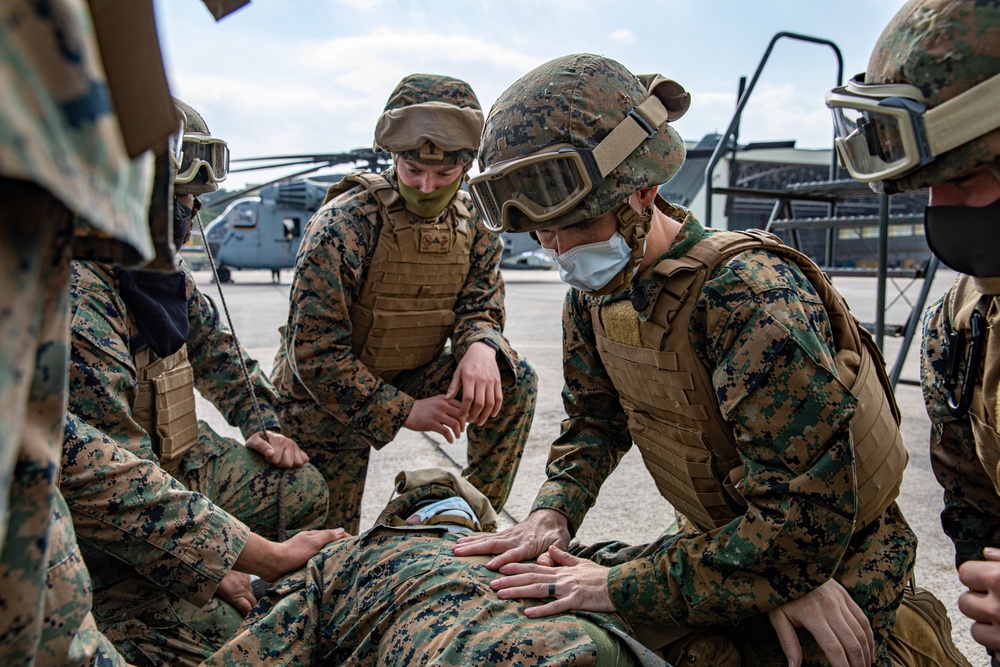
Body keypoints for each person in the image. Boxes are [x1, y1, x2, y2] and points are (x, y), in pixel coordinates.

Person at [453, 53, 919, 666]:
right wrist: (553, 510)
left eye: (578, 224)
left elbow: (801, 526)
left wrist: (616, 587)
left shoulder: (749, 295)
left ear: (643, 192)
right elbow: (595, 420)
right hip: (726, 539)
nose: (559, 249)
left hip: (838, 556)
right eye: (543, 234)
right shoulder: (597, 295)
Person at [62, 99, 334, 665]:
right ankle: (125, 612)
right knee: (230, 639)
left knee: (301, 487)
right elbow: (118, 492)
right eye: (179, 199)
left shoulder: (154, 273)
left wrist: (264, 424)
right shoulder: (78, 297)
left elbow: (219, 354)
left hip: (171, 464)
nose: (190, 212)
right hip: (108, 523)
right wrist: (234, 563)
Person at [271, 73, 538, 534]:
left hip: (412, 372)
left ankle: (465, 521)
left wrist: (482, 345)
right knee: (322, 551)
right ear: (393, 157)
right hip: (324, 399)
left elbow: (482, 305)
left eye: (444, 174)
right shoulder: (344, 224)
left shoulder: (475, 221)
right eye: (413, 171)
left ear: (467, 167)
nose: (428, 186)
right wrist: (405, 412)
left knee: (514, 380)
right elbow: (313, 355)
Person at [824, 0, 1000, 663]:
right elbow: (977, 519)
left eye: (963, 179)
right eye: (925, 186)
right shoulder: (963, 327)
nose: (939, 213)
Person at [203, 468, 679, 667]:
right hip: (593, 652)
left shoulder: (341, 556)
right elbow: (652, 564)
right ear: (477, 520)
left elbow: (262, 651)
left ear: (405, 518)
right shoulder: (538, 556)